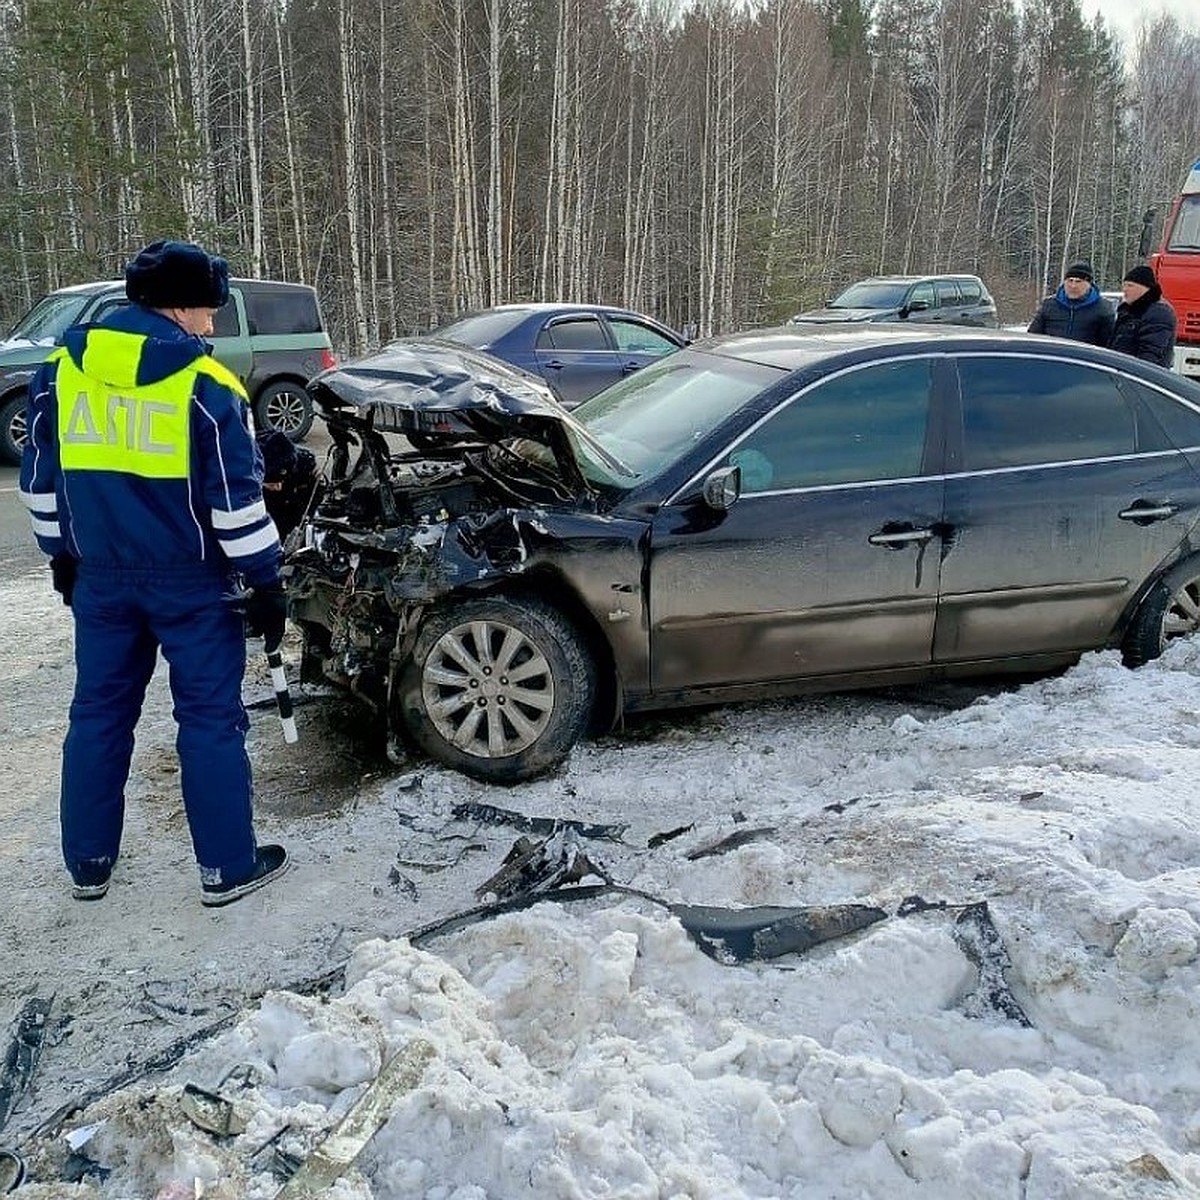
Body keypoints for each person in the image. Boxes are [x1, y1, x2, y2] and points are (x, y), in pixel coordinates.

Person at [19, 239, 290, 906]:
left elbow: (40, 480)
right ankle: (227, 868)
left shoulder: (61, 372)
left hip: (101, 581)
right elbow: (235, 501)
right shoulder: (206, 387)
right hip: (193, 586)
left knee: (98, 716)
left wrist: (61, 558)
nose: (211, 323)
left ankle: (88, 865)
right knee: (208, 721)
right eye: (207, 309)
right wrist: (265, 582)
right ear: (180, 304)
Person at [1027, 261, 1115, 346]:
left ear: (1089, 284)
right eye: (1070, 280)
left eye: (1078, 281)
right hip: (1052, 357)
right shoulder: (1050, 305)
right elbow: (1032, 337)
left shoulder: (1103, 309)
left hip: (1082, 359)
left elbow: (1109, 345)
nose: (1073, 286)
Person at [256, 428, 322, 541]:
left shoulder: (305, 465)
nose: (278, 487)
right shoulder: (242, 479)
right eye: (272, 484)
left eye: (280, 481)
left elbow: (315, 496)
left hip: (294, 508)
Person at [1110, 264, 1177, 368]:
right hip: (1121, 373)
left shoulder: (1158, 313)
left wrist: (1136, 374)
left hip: (1139, 377)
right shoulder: (1128, 311)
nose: (1125, 289)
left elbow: (1150, 355)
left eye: (1130, 285)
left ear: (1146, 288)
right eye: (1124, 285)